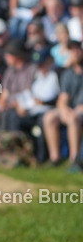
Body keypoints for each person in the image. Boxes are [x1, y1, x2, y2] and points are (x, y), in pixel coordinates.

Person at [42, 41, 83, 170]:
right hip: (72, 109)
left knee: (73, 118)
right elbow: (63, 98)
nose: (75, 53)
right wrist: (64, 109)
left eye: (77, 50)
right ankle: (55, 158)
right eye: (72, 50)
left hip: (79, 111)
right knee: (49, 117)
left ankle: (74, 159)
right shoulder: (68, 73)